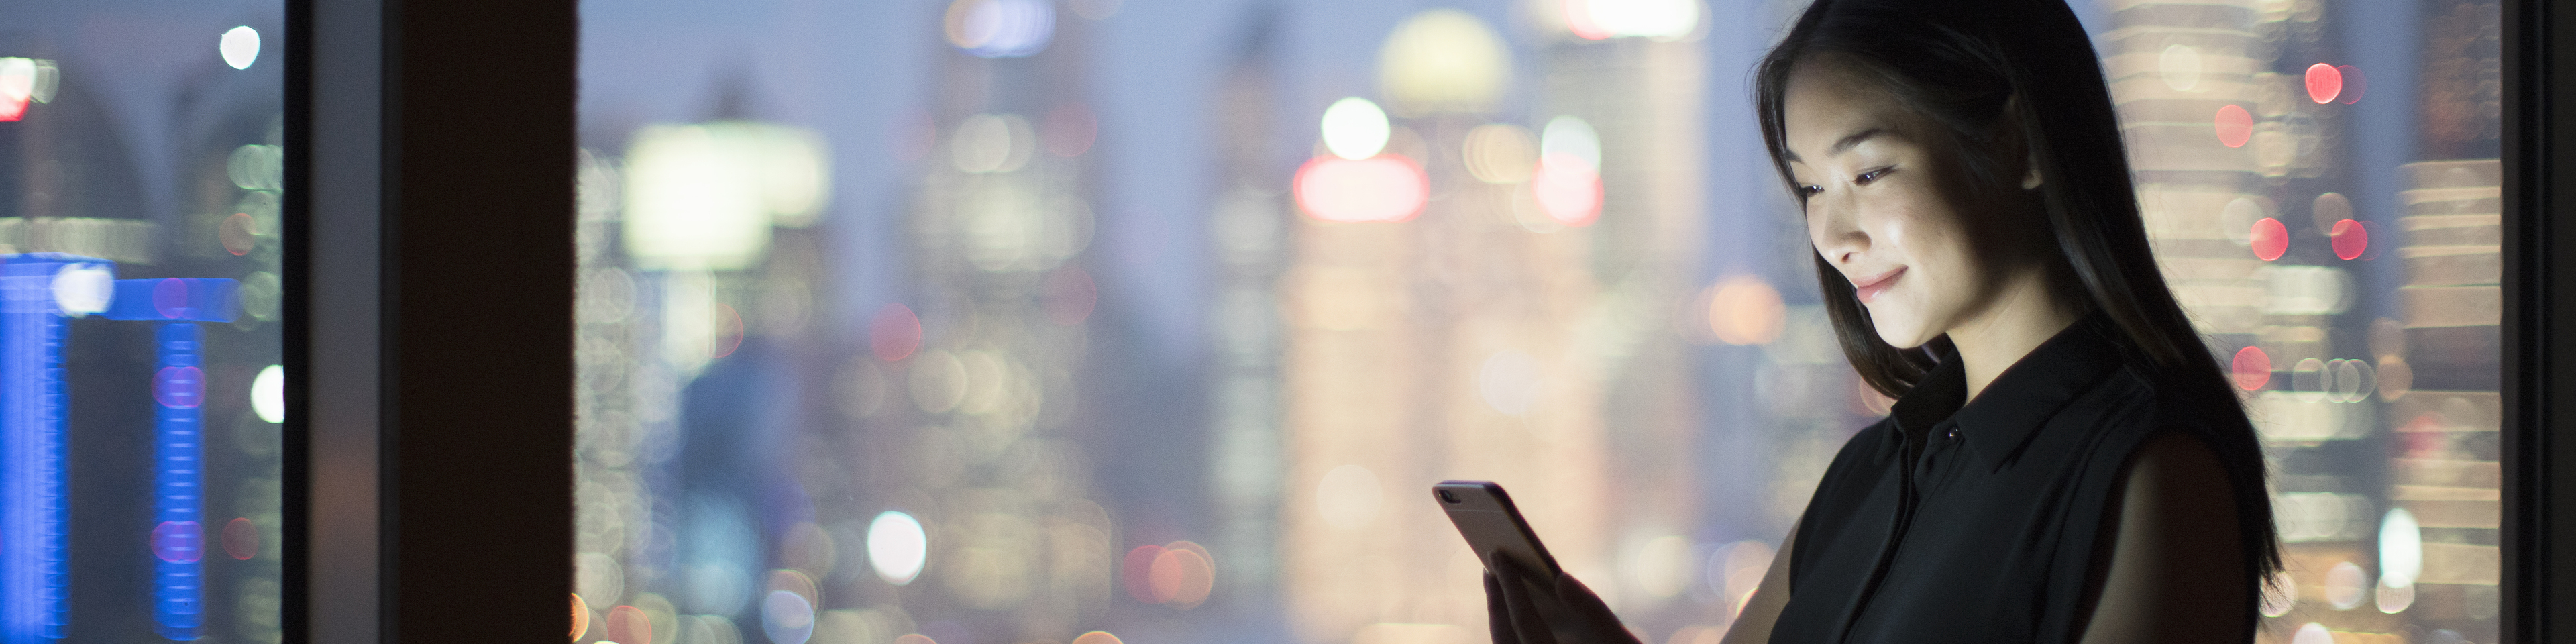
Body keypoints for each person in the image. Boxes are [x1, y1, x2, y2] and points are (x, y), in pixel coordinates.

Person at [1479, 0, 2284, 641]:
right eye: (1813, 189)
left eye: (1868, 170)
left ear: (2021, 145)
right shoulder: (1869, 475)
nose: (1832, 236)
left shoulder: (2149, 469)